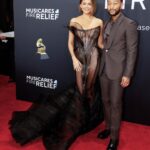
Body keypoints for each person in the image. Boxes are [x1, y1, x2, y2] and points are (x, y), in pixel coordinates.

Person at [9, 0, 104, 150]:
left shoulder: (99, 21)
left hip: (94, 58)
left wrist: (113, 48)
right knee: (80, 90)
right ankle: (77, 121)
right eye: (84, 3)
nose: (86, 6)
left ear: (93, 6)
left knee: (90, 89)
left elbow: (100, 43)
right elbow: (70, 43)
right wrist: (73, 58)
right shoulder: (74, 21)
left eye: (89, 4)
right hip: (79, 57)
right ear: (80, 5)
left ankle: (88, 118)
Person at [97, 0, 138, 150]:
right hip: (103, 70)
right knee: (105, 100)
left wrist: (127, 74)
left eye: (115, 3)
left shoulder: (129, 23)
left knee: (115, 104)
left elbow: (132, 52)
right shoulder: (107, 23)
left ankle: (114, 138)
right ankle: (108, 128)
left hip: (118, 71)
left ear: (121, 4)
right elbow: (105, 47)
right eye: (110, 4)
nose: (112, 7)